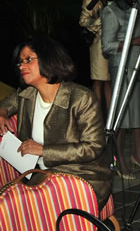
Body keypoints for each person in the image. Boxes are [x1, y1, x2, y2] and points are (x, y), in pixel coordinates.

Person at [0, 37, 111, 207]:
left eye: (28, 60)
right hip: (42, 176)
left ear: (49, 59)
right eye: (20, 62)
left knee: (29, 207)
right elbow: (8, 104)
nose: (21, 66)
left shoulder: (81, 98)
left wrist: (43, 150)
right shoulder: (27, 95)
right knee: (11, 206)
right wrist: (2, 113)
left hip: (83, 176)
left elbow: (93, 147)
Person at [101, 0, 140, 177]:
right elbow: (107, 46)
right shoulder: (111, 11)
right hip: (122, 67)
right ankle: (118, 161)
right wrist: (134, 41)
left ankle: (137, 156)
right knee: (122, 118)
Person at [79, 0, 112, 114]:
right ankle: (96, 114)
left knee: (109, 81)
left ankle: (111, 114)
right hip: (98, 44)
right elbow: (83, 20)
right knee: (99, 80)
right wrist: (101, 20)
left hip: (114, 44)